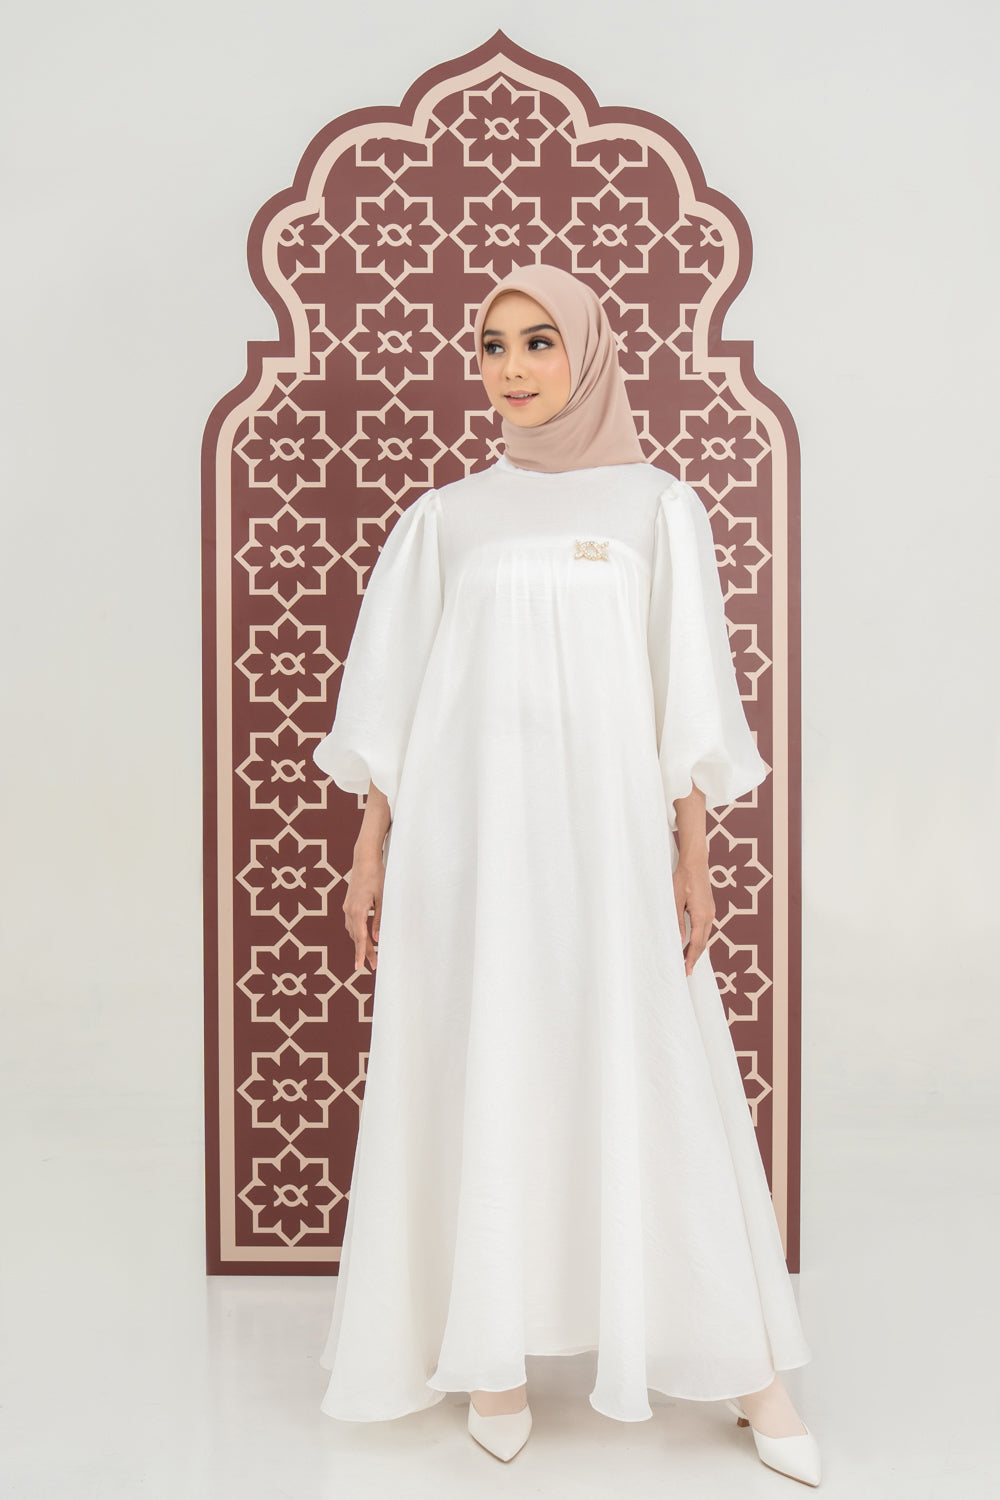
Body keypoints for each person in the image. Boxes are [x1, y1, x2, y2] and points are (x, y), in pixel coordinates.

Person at [312, 262, 821, 1485]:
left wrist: (692, 851)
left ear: (586, 353)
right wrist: (370, 849)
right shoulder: (446, 519)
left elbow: (684, 691)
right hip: (467, 847)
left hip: (605, 843)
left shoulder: (656, 507)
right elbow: (396, 702)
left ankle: (743, 1367)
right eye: (492, 347)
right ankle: (490, 1356)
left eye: (539, 342)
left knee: (648, 1063)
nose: (512, 368)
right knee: (483, 1058)